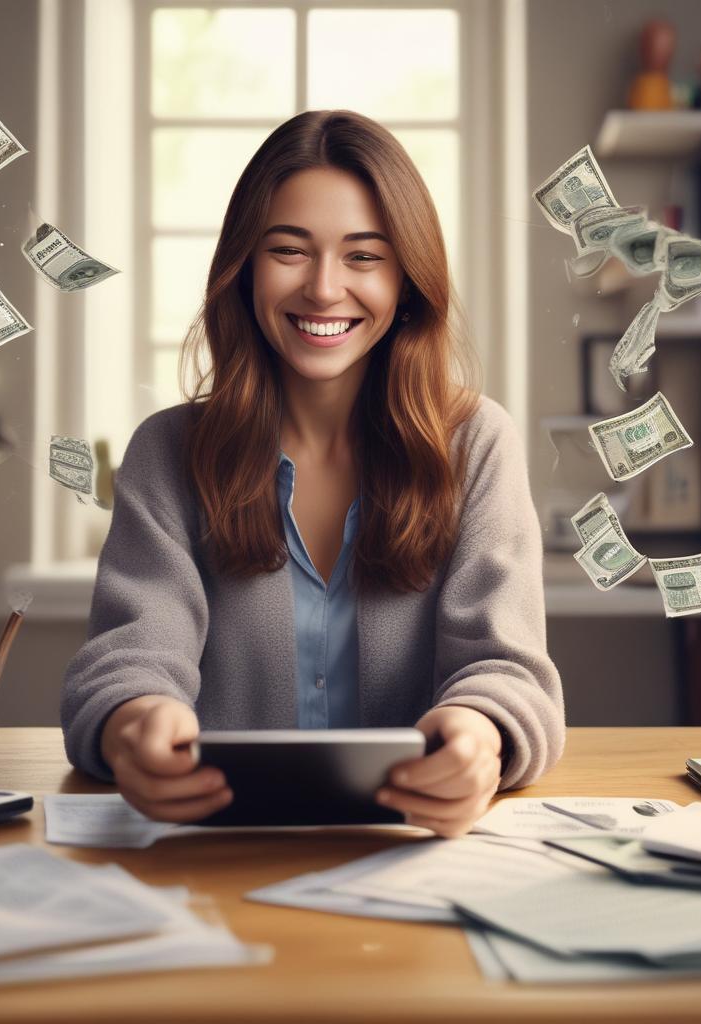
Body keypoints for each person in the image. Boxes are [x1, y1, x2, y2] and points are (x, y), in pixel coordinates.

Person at [61, 110, 565, 838]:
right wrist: (135, 722)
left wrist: (479, 735)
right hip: (215, 854)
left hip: (416, 857)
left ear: (407, 281)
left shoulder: (476, 441)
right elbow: (129, 661)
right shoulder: (167, 452)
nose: (325, 289)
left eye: (364, 256)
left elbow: (507, 669)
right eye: (290, 250)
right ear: (245, 268)